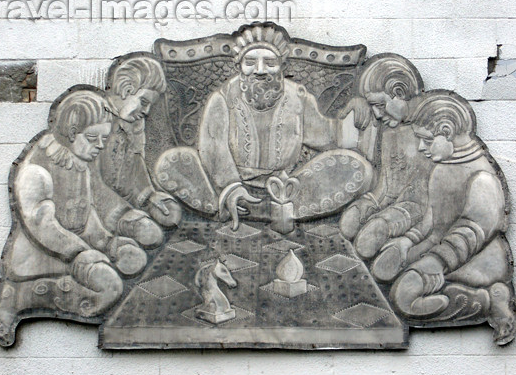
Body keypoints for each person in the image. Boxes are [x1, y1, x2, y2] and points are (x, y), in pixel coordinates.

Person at [153, 22, 374, 230]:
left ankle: (265, 210)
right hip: (231, 187)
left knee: (357, 167)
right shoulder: (223, 98)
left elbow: (330, 136)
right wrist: (230, 185)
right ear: (239, 66)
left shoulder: (297, 97)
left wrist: (357, 106)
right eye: (250, 63)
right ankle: (241, 206)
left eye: (269, 63)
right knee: (170, 162)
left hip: (286, 190)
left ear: (281, 66)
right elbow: (213, 147)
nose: (260, 70)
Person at [0, 90, 149, 347]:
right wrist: (81, 254)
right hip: (45, 260)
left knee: (134, 260)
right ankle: (15, 297)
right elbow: (43, 225)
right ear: (72, 132)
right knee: (111, 287)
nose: (99, 145)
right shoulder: (37, 169)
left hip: (77, 251)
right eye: (93, 137)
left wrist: (109, 243)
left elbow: (87, 217)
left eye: (103, 138)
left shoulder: (78, 163)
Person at [379, 91, 516, 345]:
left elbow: (471, 231)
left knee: (403, 297)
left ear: (447, 131)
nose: (421, 147)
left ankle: (490, 300)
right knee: (382, 272)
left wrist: (435, 263)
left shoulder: (482, 177)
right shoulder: (442, 169)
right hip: (441, 254)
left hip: (473, 263)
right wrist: (407, 243)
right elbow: (432, 223)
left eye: (426, 140)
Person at [339, 54, 432, 262]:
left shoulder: (431, 130)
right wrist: (370, 203)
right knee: (349, 223)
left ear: (398, 92)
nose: (378, 115)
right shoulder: (390, 130)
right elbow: (386, 187)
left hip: (417, 208)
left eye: (380, 106)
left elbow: (428, 202)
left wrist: (386, 219)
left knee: (367, 241)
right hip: (392, 200)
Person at [98, 54, 181, 238]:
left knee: (171, 212)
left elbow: (136, 162)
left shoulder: (134, 122)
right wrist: (123, 211)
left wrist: (150, 194)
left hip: (127, 197)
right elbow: (92, 181)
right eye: (143, 102)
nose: (146, 111)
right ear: (126, 89)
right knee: (149, 234)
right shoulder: (96, 119)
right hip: (101, 202)